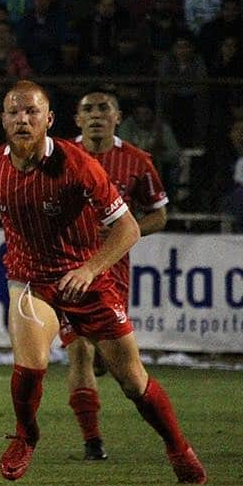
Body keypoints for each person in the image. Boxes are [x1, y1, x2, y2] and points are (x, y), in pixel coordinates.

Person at [0, 80, 206, 485]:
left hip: (86, 280)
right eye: (14, 112)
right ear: (3, 120)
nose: (23, 119)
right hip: (30, 281)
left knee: (131, 380)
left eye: (32, 112)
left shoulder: (77, 164)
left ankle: (178, 448)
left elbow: (126, 228)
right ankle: (26, 436)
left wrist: (90, 269)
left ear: (49, 120)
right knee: (31, 363)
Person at [62, 89, 169, 461]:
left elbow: (159, 214)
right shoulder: (59, 156)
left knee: (114, 363)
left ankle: (102, 365)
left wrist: (126, 229)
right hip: (66, 265)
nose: (95, 115)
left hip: (112, 270)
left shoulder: (137, 161)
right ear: (76, 120)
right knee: (78, 350)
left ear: (117, 117)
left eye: (102, 108)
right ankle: (93, 442)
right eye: (87, 109)